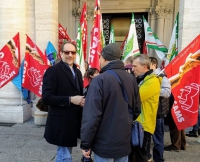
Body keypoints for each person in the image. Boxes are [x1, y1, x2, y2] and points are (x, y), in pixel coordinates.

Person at [81, 43, 141, 162]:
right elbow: (137, 109)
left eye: (100, 57)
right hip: (124, 138)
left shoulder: (99, 80)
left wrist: (85, 143)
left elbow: (91, 116)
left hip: (103, 142)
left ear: (104, 58)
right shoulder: (131, 78)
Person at [42, 41, 85, 162]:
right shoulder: (53, 71)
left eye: (73, 52)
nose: (70, 55)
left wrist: (82, 101)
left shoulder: (77, 71)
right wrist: (70, 100)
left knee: (66, 153)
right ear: (61, 54)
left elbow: (78, 93)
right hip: (60, 123)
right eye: (67, 52)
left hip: (73, 122)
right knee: (64, 155)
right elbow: (46, 98)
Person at [129, 54, 162, 162]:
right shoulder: (139, 79)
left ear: (144, 67)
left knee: (140, 157)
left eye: (135, 66)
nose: (132, 69)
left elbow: (135, 98)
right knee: (132, 156)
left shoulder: (152, 81)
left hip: (143, 126)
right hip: (136, 124)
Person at [146, 57, 171, 162]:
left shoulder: (162, 77)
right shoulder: (146, 76)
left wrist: (154, 90)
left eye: (148, 64)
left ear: (154, 65)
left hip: (157, 113)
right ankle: (147, 157)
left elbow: (167, 93)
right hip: (147, 113)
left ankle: (158, 159)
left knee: (158, 140)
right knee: (146, 139)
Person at [81, 68, 99, 162]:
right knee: (89, 136)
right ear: (91, 75)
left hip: (92, 114)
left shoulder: (98, 84)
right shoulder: (89, 87)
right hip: (89, 114)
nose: (98, 74)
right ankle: (86, 158)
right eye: (96, 73)